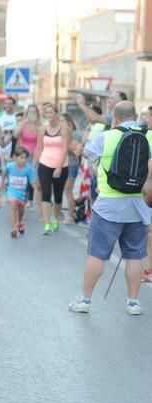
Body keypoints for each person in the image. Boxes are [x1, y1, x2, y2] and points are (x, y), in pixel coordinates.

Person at [69, 101, 152, 316]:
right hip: (139, 207)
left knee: (97, 254)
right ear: (136, 116)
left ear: (114, 118)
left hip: (108, 206)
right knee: (135, 256)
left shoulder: (106, 137)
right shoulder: (150, 137)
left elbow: (88, 155)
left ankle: (85, 300)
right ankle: (133, 303)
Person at [32, 103, 71, 235]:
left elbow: (65, 148)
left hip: (61, 164)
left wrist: (59, 167)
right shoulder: (42, 129)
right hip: (45, 162)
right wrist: (34, 164)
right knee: (46, 193)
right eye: (46, 113)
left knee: (58, 195)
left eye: (51, 112)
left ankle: (56, 217)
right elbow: (38, 148)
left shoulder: (63, 128)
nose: (49, 115)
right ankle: (47, 223)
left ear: (56, 113)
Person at [0, 146, 35, 237]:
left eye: (25, 158)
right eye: (21, 158)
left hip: (22, 193)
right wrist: (1, 184)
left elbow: (33, 182)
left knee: (21, 210)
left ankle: (20, 222)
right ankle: (14, 227)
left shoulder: (28, 169)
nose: (23, 160)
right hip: (11, 190)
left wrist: (38, 190)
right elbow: (4, 174)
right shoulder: (10, 166)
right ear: (15, 157)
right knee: (13, 205)